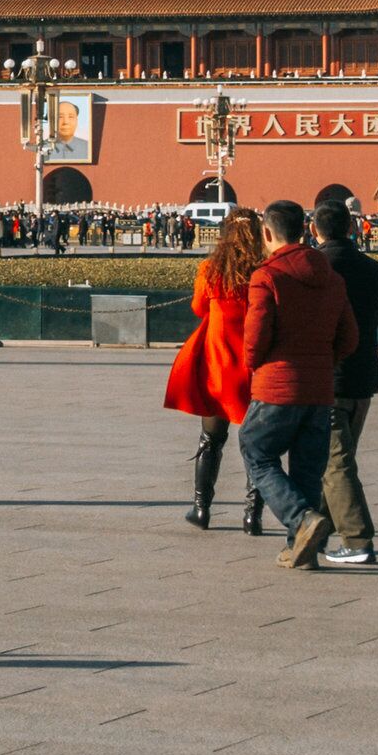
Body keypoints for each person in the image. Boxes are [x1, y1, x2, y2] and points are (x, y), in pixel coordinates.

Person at [161, 214, 263, 533]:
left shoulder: (211, 269)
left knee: (211, 439)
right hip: (255, 364)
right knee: (257, 444)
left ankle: (201, 508)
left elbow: (197, 307)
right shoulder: (263, 271)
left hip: (219, 363)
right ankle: (252, 516)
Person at [312, 195, 378, 568]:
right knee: (340, 459)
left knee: (335, 463)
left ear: (314, 229)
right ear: (351, 227)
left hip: (328, 377)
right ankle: (314, 531)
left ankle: (357, 540)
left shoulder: (315, 268)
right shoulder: (373, 269)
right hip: (363, 375)